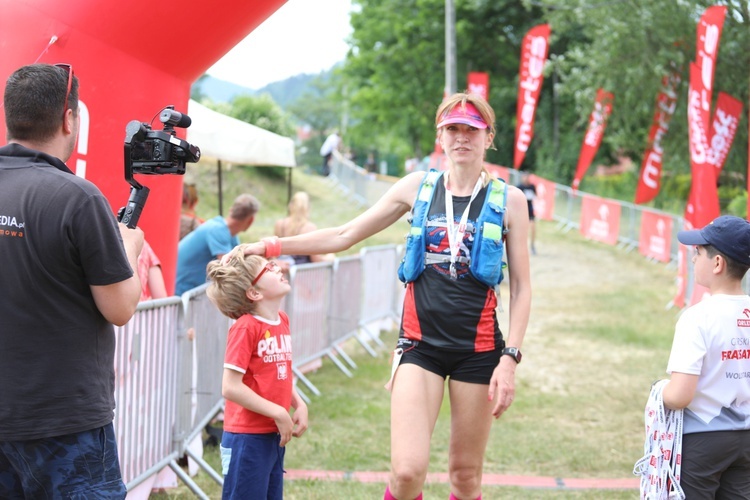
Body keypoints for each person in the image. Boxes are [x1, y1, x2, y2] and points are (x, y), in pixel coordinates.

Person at [227, 92, 532, 500]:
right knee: (406, 472)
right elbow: (343, 234)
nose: (462, 138)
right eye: (453, 129)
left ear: (488, 137)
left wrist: (509, 359)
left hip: (478, 352)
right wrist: (271, 246)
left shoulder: (509, 200)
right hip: (419, 347)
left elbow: (524, 288)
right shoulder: (417, 187)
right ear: (440, 137)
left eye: (472, 130)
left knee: (464, 475)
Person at [0, 63, 143, 497]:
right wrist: (130, 250)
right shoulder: (77, 197)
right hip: (64, 421)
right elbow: (119, 308)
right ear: (68, 118)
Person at [206, 250, 308, 499]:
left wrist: (298, 402)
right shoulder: (245, 327)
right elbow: (230, 387)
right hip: (247, 438)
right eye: (269, 268)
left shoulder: (281, 319)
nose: (278, 268)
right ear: (254, 293)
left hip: (272, 434)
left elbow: (278, 371)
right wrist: (277, 411)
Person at [660, 215, 750, 498]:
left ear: (718, 263)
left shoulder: (697, 317)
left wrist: (658, 392)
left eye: (698, 252)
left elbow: (679, 396)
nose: (692, 258)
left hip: (702, 441)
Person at [175, 193, 260, 295]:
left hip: (188, 291)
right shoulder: (218, 230)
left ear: (230, 210)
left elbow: (243, 261)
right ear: (251, 221)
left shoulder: (228, 233)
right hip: (182, 291)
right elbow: (230, 267)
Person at [274, 191, 334, 265]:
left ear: (291, 205)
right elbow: (316, 259)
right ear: (307, 207)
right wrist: (329, 258)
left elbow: (275, 252)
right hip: (302, 272)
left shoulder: (280, 224)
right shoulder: (309, 227)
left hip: (282, 270)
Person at [516, 171, 537, 255]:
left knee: (533, 228)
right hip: (521, 210)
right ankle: (518, 246)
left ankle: (532, 246)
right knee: (520, 230)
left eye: (527, 177)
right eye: (525, 177)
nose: (526, 178)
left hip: (530, 210)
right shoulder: (519, 187)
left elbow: (535, 196)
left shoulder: (532, 187)